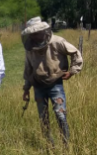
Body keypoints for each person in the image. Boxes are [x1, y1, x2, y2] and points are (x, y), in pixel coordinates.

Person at [21, 16, 83, 146]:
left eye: (37, 32)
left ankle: (66, 146)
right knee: (43, 118)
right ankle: (49, 146)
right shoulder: (30, 47)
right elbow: (29, 68)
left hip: (55, 84)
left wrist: (72, 71)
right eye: (33, 33)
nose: (35, 35)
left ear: (43, 31)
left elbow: (75, 52)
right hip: (38, 86)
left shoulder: (57, 41)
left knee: (60, 115)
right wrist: (26, 88)